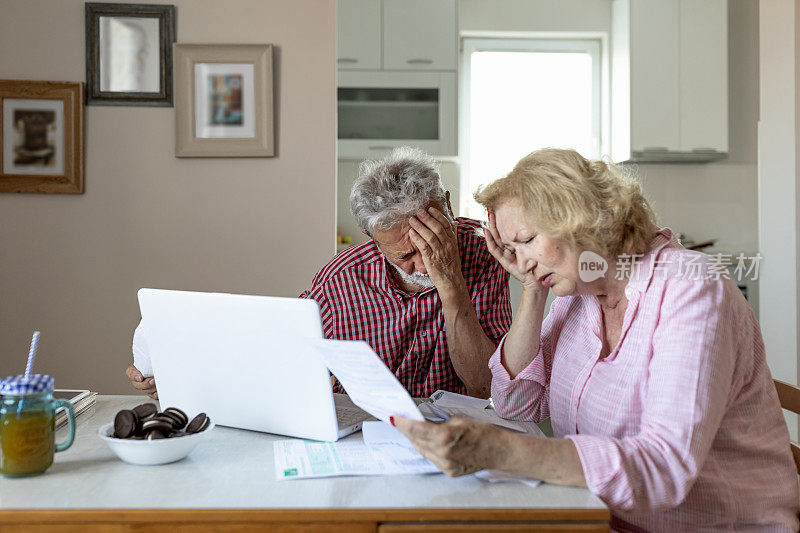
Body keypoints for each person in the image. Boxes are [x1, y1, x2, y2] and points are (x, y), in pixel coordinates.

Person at [392, 148, 800, 532]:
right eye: (512, 249)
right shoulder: (580, 293)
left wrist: (501, 451)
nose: (522, 259)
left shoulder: (689, 286)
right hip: (598, 519)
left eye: (528, 240)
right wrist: (531, 290)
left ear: (580, 216)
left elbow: (665, 468)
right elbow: (517, 405)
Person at [127, 147, 512, 399]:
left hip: (456, 438)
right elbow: (274, 357)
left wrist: (451, 285)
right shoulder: (341, 277)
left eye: (435, 239)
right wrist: (178, 379)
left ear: (446, 204)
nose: (427, 263)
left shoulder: (488, 254)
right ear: (372, 237)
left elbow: (486, 386)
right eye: (407, 254)